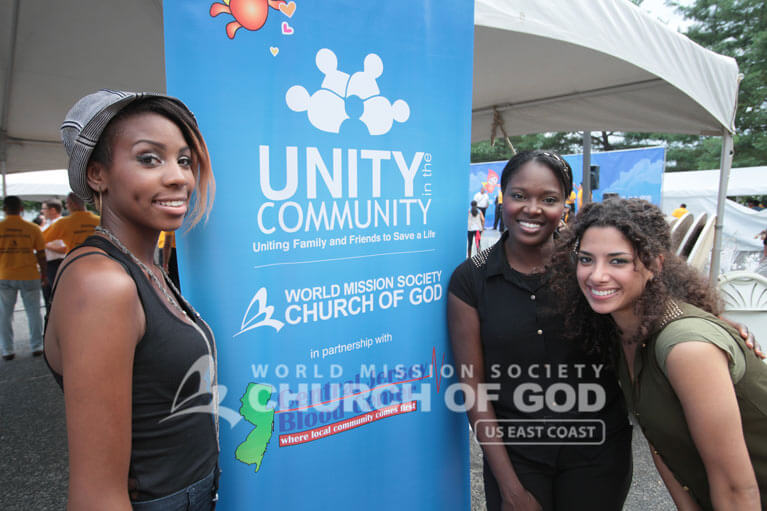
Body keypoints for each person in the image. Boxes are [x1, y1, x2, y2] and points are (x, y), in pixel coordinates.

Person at [44, 90, 217, 510]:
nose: (179, 178)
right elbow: (96, 494)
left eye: (183, 160)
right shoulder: (102, 283)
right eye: (149, 159)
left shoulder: (145, 267)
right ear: (97, 174)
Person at [550, 198, 767, 510]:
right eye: (586, 259)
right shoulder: (621, 334)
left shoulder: (687, 348)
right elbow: (661, 442)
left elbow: (736, 490)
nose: (596, 275)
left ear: (655, 265)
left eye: (617, 261)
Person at [448, 150, 633, 511]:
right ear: (502, 197)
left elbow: (650, 301)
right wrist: (510, 489)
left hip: (597, 451)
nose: (532, 209)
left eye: (548, 199)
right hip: (517, 458)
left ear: (564, 204)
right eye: (519, 196)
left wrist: (706, 323)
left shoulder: (588, 267)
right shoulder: (472, 278)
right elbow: (472, 386)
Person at [0, 196, 48, 360]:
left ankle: (7, 350)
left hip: (4, 275)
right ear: (21, 209)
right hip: (29, 275)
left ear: (4, 209)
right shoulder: (32, 228)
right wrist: (44, 274)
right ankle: (37, 346)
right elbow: (41, 254)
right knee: (34, 312)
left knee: (4, 314)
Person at [41, 199, 65, 313]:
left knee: (56, 298)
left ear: (53, 210)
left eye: (44, 209)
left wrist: (43, 245)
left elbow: (64, 249)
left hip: (56, 264)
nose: (42, 211)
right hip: (47, 265)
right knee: (48, 299)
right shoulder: (48, 224)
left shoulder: (61, 224)